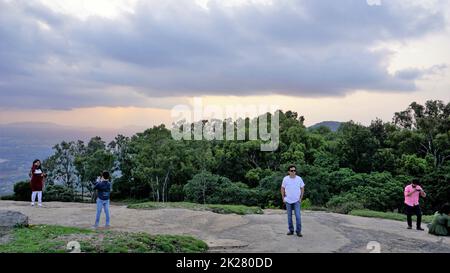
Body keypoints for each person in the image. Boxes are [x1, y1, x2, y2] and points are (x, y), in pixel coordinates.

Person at [281, 165, 305, 237]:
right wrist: (283, 198)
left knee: (298, 216)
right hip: (288, 200)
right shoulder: (285, 179)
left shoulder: (299, 179)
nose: (293, 172)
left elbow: (302, 188)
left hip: (296, 200)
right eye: (292, 171)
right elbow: (282, 188)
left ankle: (298, 231)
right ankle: (291, 230)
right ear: (289, 172)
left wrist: (301, 198)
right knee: (289, 216)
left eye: (294, 170)